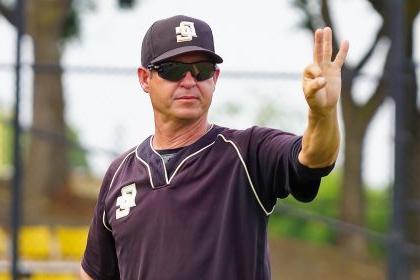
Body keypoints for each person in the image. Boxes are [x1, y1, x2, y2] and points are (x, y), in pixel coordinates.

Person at [80, 14, 349, 280]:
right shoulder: (120, 174)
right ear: (144, 78)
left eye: (202, 69)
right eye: (172, 69)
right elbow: (94, 272)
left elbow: (314, 158)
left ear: (215, 77)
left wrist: (322, 114)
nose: (189, 81)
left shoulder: (247, 152)